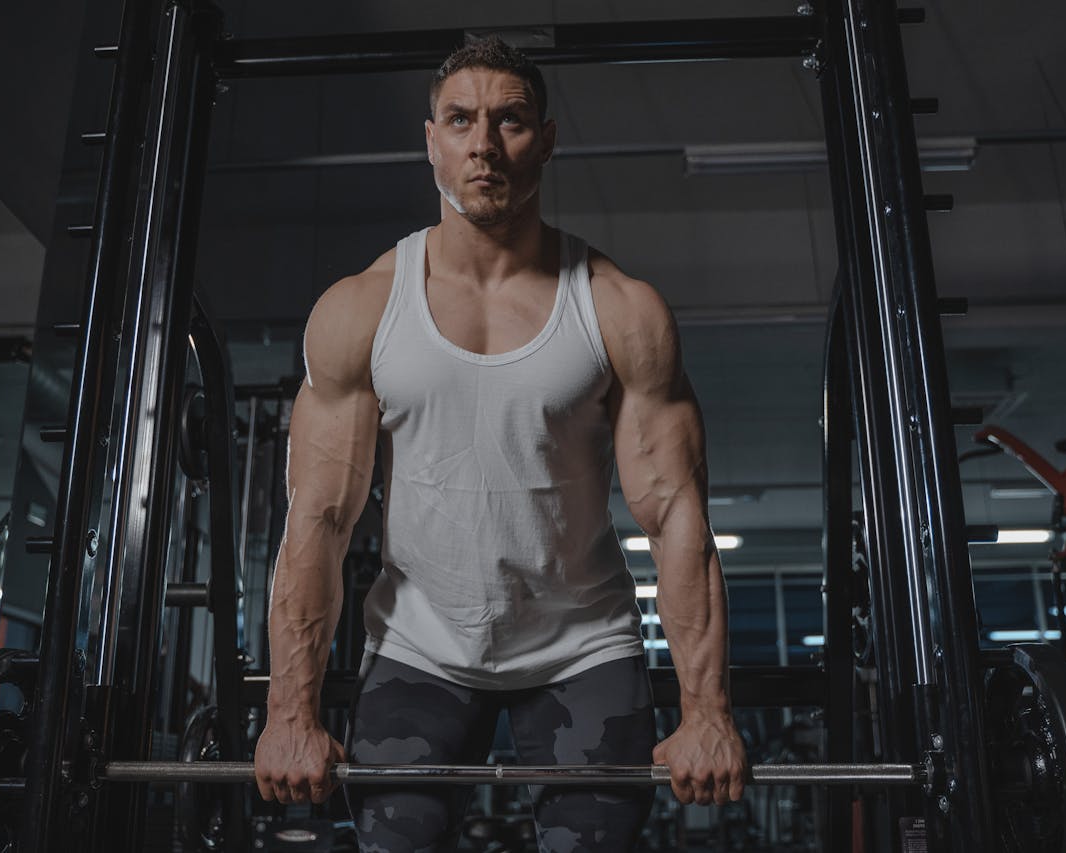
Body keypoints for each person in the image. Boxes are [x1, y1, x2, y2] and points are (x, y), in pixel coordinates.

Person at [254, 37, 748, 852]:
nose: (483, 143)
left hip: (582, 649)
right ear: (431, 141)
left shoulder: (619, 309)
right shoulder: (361, 309)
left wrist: (708, 715)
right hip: (420, 647)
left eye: (509, 120)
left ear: (544, 140)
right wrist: (288, 716)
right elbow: (318, 522)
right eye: (460, 120)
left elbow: (675, 518)